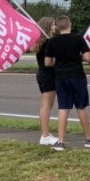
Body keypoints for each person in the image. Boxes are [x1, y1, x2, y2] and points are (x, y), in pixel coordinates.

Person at [44, 16, 90, 150]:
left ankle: (60, 141)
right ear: (70, 25)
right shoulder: (78, 39)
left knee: (63, 108)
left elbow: (48, 63)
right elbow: (88, 58)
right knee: (81, 107)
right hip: (77, 76)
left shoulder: (52, 42)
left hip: (61, 77)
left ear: (57, 27)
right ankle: (88, 139)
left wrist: (58, 61)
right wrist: (78, 56)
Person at [34, 17, 58, 145]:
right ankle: (45, 136)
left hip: (42, 74)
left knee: (46, 105)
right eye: (53, 25)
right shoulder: (48, 43)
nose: (55, 27)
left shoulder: (41, 42)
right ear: (48, 26)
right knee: (47, 106)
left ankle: (46, 133)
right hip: (48, 75)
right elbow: (48, 62)